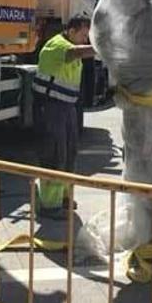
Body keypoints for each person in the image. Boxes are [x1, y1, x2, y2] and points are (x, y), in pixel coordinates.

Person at [33, 15, 96, 218]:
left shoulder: (71, 46)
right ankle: (49, 205)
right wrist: (104, 47)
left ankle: (64, 197)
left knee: (69, 153)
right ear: (71, 30)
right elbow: (74, 53)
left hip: (66, 107)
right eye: (84, 35)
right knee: (54, 154)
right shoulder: (57, 46)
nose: (85, 40)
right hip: (50, 107)